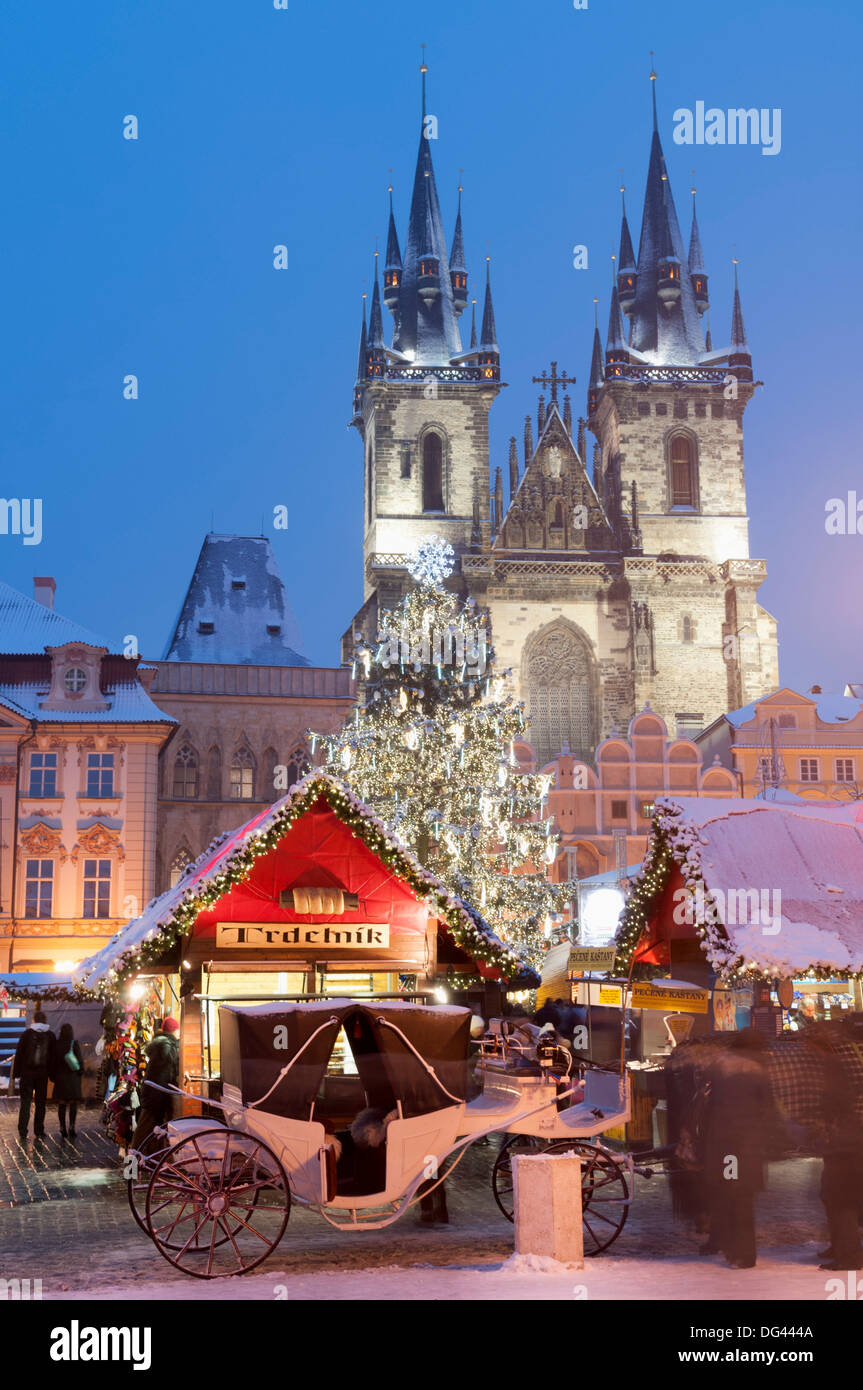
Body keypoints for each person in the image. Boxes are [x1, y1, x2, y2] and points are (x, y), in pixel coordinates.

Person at [701, 1027, 773, 1269]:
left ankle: (728, 1246)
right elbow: (767, 1108)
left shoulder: (721, 1064)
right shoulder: (759, 1070)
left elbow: (708, 1101)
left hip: (724, 1144)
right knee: (743, 1198)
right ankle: (744, 1254)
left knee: (727, 1193)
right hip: (747, 1145)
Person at [810, 1019, 863, 1271]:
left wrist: (823, 1120)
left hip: (847, 1138)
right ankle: (842, 1246)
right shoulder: (853, 1057)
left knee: (839, 1196)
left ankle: (848, 1254)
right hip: (853, 1136)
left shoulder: (840, 1060)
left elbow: (837, 1099)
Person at [130, 1017, 180, 1153]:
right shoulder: (167, 1046)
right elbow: (172, 1065)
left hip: (153, 1091)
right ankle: (131, 1166)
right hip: (156, 1093)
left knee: (152, 1129)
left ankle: (149, 1161)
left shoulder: (162, 1044)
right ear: (174, 1030)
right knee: (144, 1130)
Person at [14, 1010, 55, 1141]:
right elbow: (53, 1058)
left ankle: (22, 1130)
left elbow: (19, 1054)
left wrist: (16, 1073)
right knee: (40, 1103)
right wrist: (52, 1075)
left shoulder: (26, 1034)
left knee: (25, 1103)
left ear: (34, 1020)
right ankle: (39, 1130)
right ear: (45, 1020)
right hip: (42, 1074)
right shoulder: (50, 1035)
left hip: (27, 1074)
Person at [51, 1022, 84, 1141]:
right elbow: (80, 1061)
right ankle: (71, 1127)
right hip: (73, 1078)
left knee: (62, 1104)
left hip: (60, 1078)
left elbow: (53, 1062)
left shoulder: (57, 1044)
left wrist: (53, 1076)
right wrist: (80, 1073)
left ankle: (62, 1127)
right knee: (73, 1104)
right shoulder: (73, 1044)